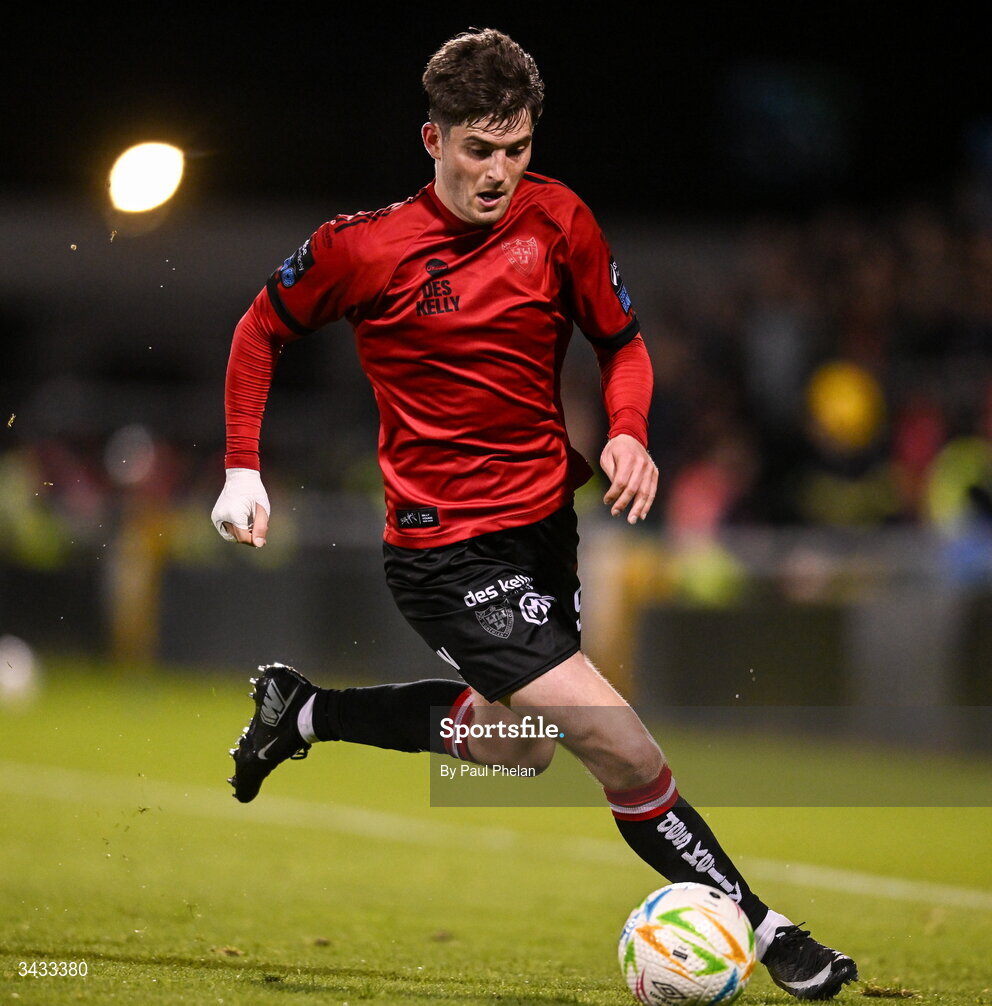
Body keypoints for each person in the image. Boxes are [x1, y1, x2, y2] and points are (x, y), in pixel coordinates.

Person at [211, 28, 857, 1000]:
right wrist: (241, 467)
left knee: (517, 746)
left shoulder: (561, 221)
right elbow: (261, 327)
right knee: (620, 744)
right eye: (479, 149)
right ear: (432, 138)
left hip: (545, 529)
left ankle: (299, 709)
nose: (499, 173)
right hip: (443, 550)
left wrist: (630, 431)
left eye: (515, 150)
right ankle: (767, 932)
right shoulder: (363, 246)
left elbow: (623, 341)